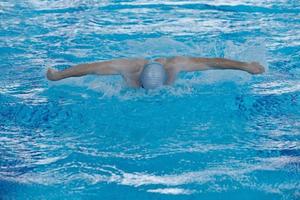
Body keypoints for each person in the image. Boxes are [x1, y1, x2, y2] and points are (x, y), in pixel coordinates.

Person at [46, 56, 265, 89]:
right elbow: (88, 69)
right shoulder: (129, 68)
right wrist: (58, 75)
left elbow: (212, 63)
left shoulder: (174, 65)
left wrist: (245, 66)